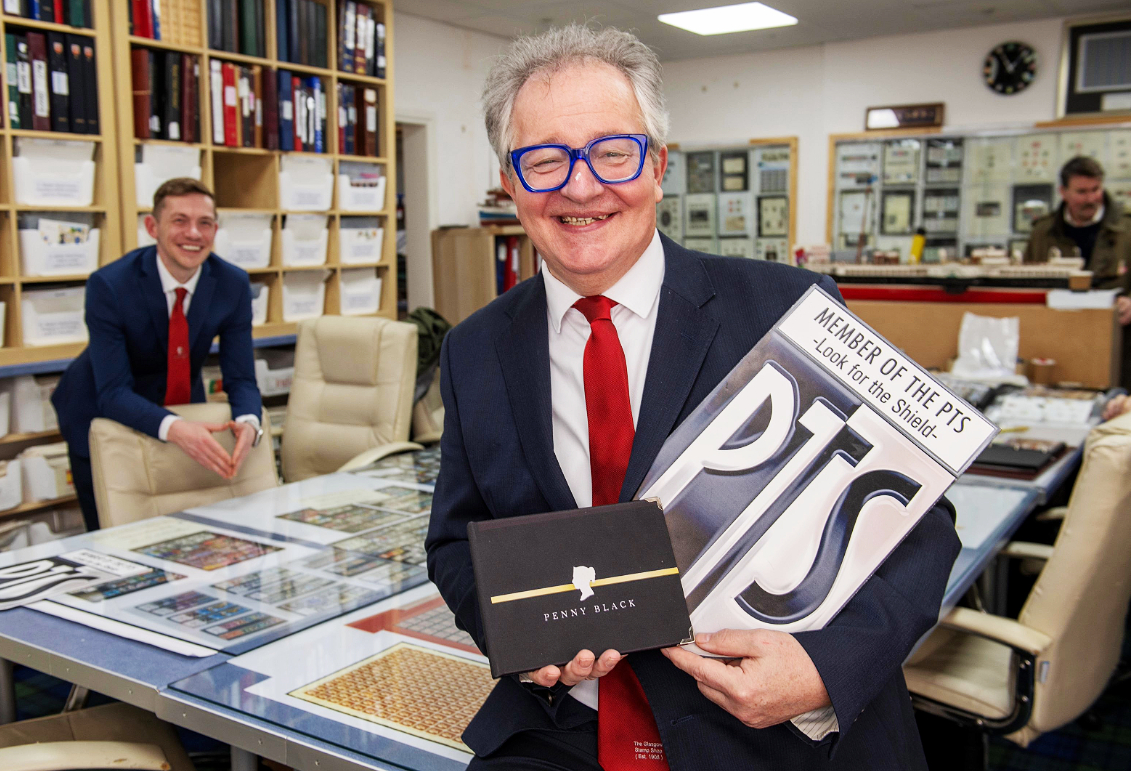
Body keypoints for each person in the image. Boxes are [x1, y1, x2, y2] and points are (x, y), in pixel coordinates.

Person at [425, 24, 960, 771]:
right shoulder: (474, 347)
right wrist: (515, 632)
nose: (580, 186)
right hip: (561, 732)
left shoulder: (791, 308)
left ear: (657, 166)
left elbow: (918, 522)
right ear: (511, 182)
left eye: (612, 152)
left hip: (772, 726)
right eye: (543, 159)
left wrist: (820, 669)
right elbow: (455, 540)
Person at [52, 178, 263, 532]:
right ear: (153, 227)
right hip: (101, 412)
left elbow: (241, 377)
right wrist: (176, 429)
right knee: (113, 536)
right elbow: (113, 392)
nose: (193, 233)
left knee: (188, 531)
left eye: (205, 223)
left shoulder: (232, 283)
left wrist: (249, 422)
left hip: (182, 407)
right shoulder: (110, 285)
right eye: (179, 221)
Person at [1027, 156, 1131, 386]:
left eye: (1096, 190)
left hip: (1118, 346)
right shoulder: (1042, 232)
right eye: (1082, 192)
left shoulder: (1126, 229)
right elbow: (1027, 284)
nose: (1091, 198)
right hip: (1057, 341)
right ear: (1063, 191)